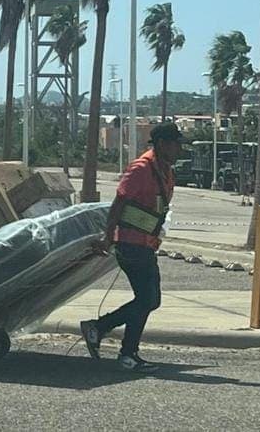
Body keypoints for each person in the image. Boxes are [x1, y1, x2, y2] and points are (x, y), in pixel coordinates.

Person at [79, 122, 184, 373]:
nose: (180, 148)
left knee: (149, 300)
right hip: (130, 242)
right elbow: (118, 203)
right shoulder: (141, 169)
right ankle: (125, 351)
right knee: (148, 299)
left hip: (146, 244)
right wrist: (108, 237)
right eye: (176, 143)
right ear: (161, 144)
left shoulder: (165, 170)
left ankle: (102, 330)